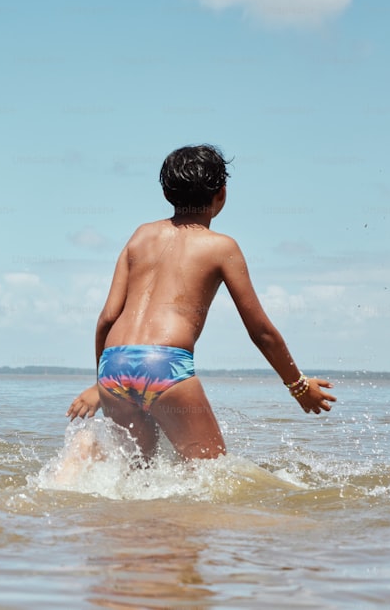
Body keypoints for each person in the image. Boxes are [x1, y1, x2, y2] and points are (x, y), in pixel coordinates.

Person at [67, 145, 335, 461]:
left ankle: (86, 453)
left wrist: (101, 384)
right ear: (221, 194)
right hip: (166, 365)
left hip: (113, 364)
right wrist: (299, 386)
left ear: (167, 192)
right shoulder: (221, 247)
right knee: (212, 474)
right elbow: (260, 331)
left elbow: (107, 319)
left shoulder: (140, 236)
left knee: (136, 475)